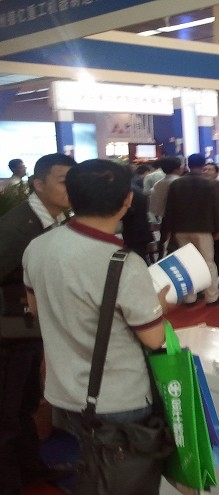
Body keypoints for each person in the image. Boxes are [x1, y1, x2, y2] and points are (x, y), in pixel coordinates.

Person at [22, 159, 170, 495]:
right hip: (119, 398)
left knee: (93, 472)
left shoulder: (38, 246)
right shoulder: (122, 262)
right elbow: (153, 337)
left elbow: (36, 308)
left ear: (72, 196)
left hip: (64, 391)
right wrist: (159, 306)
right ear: (127, 201)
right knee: (125, 482)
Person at [0, 153, 77, 495]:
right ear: (38, 184)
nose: (70, 188)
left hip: (29, 330)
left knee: (26, 404)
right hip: (9, 334)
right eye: (63, 181)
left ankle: (31, 467)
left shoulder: (53, 219)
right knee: (6, 412)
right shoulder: (19, 227)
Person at [161, 153, 219, 306]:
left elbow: (169, 209)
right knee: (208, 262)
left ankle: (189, 297)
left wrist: (168, 230)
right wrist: (218, 229)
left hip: (180, 229)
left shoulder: (176, 184)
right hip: (203, 228)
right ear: (203, 165)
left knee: (187, 262)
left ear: (187, 165)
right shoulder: (211, 184)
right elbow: (216, 209)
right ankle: (212, 296)